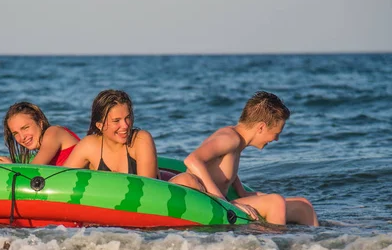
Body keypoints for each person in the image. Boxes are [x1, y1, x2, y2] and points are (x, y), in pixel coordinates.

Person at [170, 91, 319, 226]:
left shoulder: (237, 143)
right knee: (275, 201)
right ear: (261, 127)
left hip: (218, 200)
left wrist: (251, 194)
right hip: (199, 197)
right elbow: (192, 160)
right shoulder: (229, 139)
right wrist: (223, 202)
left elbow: (226, 175)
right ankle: (274, 248)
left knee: (303, 205)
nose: (277, 139)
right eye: (276, 133)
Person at [63, 89, 159, 178]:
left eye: (127, 117)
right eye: (116, 121)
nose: (125, 125)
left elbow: (148, 187)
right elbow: (61, 178)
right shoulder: (89, 146)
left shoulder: (141, 140)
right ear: (100, 125)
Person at [0, 101, 79, 166]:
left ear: (40, 124)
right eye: (15, 133)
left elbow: (33, 169)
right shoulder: (44, 150)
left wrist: (12, 167)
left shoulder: (53, 132)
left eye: (25, 128)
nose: (22, 137)